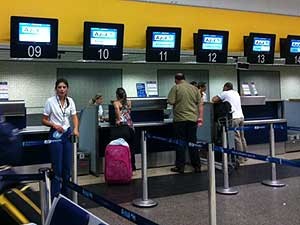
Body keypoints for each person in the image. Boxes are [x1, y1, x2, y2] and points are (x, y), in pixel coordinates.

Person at [42, 78, 79, 199]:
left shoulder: (70, 101)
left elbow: (74, 117)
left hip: (67, 133)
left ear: (67, 89)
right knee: (57, 166)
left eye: (64, 87)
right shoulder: (50, 101)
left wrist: (75, 129)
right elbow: (44, 119)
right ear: (56, 89)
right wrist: (54, 125)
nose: (62, 89)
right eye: (59, 87)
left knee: (67, 167)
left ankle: (66, 195)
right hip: (55, 134)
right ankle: (55, 196)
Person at [167, 73, 203, 173]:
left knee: (180, 143)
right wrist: (200, 118)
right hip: (192, 120)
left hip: (180, 120)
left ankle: (180, 167)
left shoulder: (176, 88)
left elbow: (170, 101)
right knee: (192, 143)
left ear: (176, 79)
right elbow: (200, 104)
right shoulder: (194, 88)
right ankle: (197, 166)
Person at [212, 82, 247, 163]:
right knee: (242, 137)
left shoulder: (225, 93)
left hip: (234, 118)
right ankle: (245, 156)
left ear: (226, 87)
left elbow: (214, 99)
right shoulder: (236, 93)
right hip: (241, 117)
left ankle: (240, 158)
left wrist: (220, 98)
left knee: (236, 138)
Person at [110, 87, 136, 170]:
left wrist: (118, 119)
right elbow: (129, 112)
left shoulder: (116, 103)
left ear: (117, 95)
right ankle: (132, 167)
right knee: (131, 148)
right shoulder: (129, 102)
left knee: (121, 148)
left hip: (122, 128)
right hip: (130, 127)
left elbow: (117, 112)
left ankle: (122, 167)